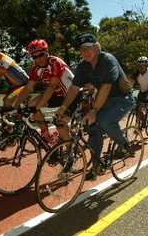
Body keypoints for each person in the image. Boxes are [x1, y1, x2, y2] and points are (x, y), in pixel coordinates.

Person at [56, 33, 134, 180]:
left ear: (97, 47)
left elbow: (105, 87)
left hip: (122, 99)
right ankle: (96, 165)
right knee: (93, 127)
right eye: (82, 49)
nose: (85, 52)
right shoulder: (83, 66)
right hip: (104, 99)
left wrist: (94, 110)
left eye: (88, 48)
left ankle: (124, 144)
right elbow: (74, 88)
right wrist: (63, 107)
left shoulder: (108, 60)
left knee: (104, 121)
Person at [14, 39, 75, 143]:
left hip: (71, 95)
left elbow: (51, 87)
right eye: (34, 56)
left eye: (41, 54)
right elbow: (28, 88)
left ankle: (70, 151)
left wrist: (38, 107)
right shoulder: (36, 68)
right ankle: (46, 135)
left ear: (47, 52)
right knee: (32, 104)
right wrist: (15, 105)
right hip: (57, 95)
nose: (38, 59)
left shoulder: (55, 62)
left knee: (60, 125)